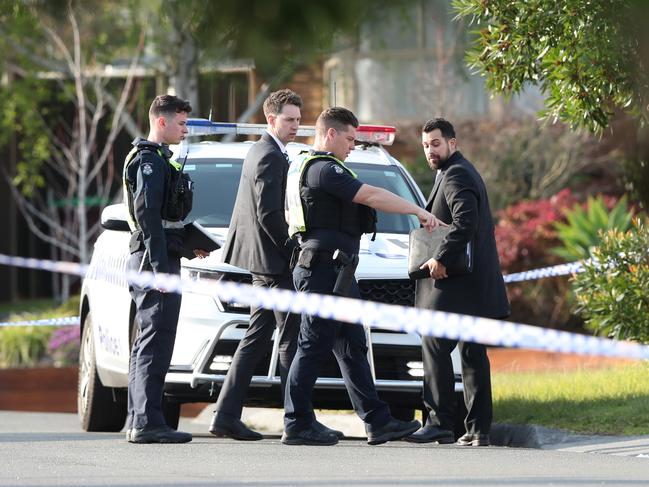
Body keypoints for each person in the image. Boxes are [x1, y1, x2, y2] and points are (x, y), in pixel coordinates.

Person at [283, 107, 443, 446]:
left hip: (337, 272)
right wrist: (416, 210)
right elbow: (369, 194)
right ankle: (296, 421)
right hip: (322, 270)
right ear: (330, 134)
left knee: (352, 344)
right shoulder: (323, 169)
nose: (352, 146)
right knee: (312, 345)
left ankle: (377, 421)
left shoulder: (315, 166)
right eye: (349, 139)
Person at [209, 89, 331, 440]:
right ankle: (298, 420)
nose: (297, 125)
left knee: (258, 335)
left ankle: (226, 414)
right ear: (271, 119)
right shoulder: (268, 155)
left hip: (266, 261)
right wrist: (293, 248)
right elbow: (268, 213)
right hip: (272, 261)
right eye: (290, 119)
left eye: (298, 118)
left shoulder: (267, 151)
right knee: (290, 336)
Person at [405, 118, 510, 447]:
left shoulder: (457, 173)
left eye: (436, 143)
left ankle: (439, 423)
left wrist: (440, 258)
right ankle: (478, 429)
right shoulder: (453, 172)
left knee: (435, 345)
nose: (430, 150)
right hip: (471, 290)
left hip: (456, 286)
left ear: (452, 142)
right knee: (472, 355)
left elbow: (465, 222)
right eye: (425, 145)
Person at [123, 95, 209, 444]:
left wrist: (188, 246)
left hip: (160, 259)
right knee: (153, 343)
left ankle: (142, 419)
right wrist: (159, 268)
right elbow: (146, 219)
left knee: (154, 342)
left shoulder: (159, 160)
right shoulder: (148, 161)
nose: (185, 130)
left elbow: (164, 221)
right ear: (161, 122)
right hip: (151, 263)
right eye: (181, 123)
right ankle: (145, 423)